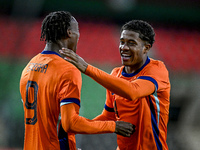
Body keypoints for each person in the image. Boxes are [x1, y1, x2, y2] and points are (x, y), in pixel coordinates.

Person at [19, 11, 135, 150]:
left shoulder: (29, 67)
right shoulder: (67, 70)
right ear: (69, 33)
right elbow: (70, 123)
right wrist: (114, 126)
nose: (78, 36)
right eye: (77, 31)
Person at [59, 20, 171, 150]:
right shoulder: (116, 74)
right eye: (122, 42)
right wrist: (76, 127)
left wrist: (87, 68)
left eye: (131, 43)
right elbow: (109, 116)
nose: (124, 47)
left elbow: (132, 92)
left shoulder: (157, 69)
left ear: (146, 48)